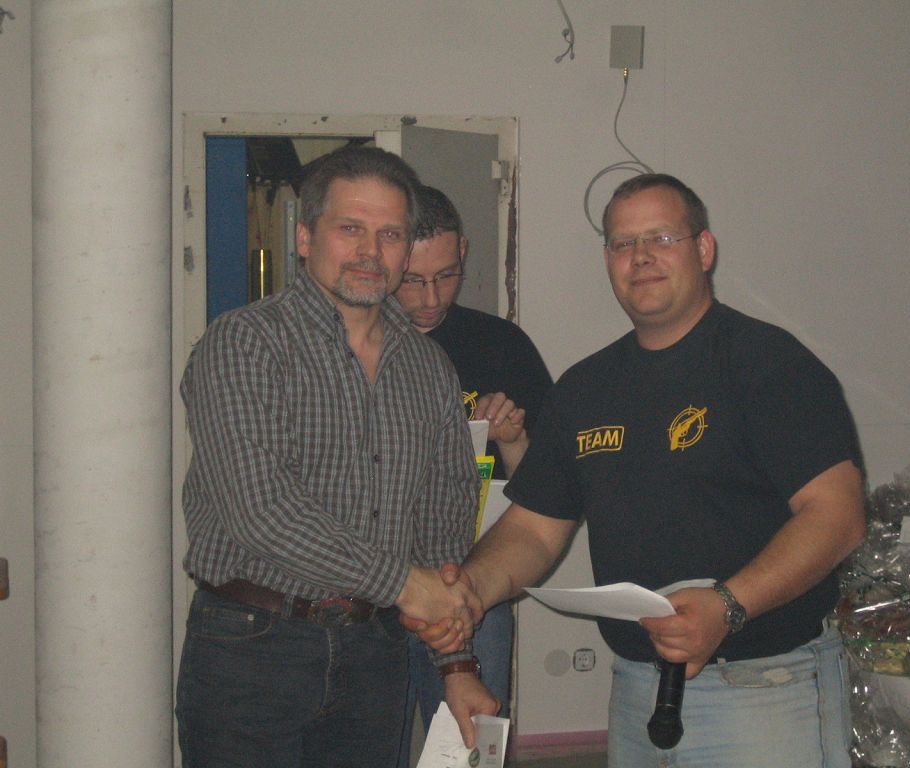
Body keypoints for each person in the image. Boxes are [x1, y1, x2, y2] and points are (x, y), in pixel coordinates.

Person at [410, 173, 867, 767]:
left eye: (662, 238)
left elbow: (837, 516)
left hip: (765, 687)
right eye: (623, 243)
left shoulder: (768, 363)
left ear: (704, 249)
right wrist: (471, 593)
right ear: (608, 259)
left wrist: (727, 605)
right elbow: (534, 530)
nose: (642, 256)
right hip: (636, 687)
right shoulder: (586, 388)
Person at [175, 145, 497, 768]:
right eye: (350, 228)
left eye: (390, 234)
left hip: (376, 652)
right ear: (305, 237)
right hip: (252, 648)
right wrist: (403, 584)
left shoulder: (429, 368)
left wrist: (456, 665)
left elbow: (441, 524)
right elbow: (260, 510)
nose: (370, 251)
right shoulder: (243, 342)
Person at [393, 185, 552, 765]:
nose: (431, 298)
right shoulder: (355, 344)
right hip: (370, 587)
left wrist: (512, 439)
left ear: (463, 250)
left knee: (469, 752)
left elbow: (548, 496)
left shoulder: (501, 345)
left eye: (447, 275)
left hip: (471, 582)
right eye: (412, 280)